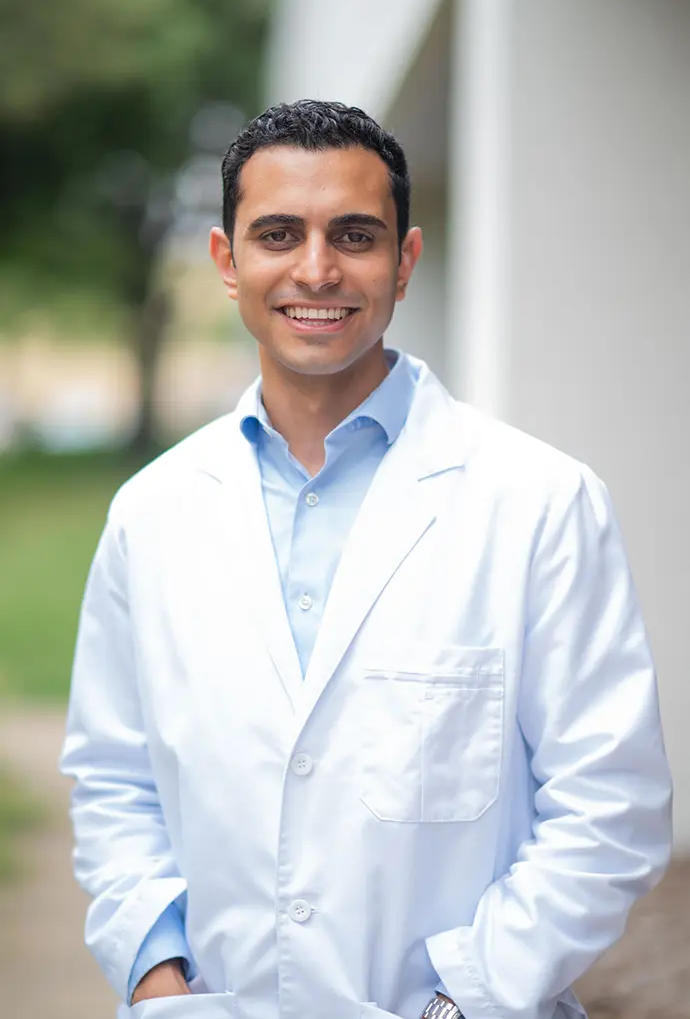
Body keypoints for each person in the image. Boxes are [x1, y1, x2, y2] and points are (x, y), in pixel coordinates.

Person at [60, 99, 672, 1019]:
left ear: (406, 261)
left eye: (354, 234)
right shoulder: (152, 514)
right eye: (277, 234)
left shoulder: (539, 503)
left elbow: (610, 810)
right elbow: (115, 779)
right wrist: (156, 973)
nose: (317, 268)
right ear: (227, 263)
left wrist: (462, 1003)